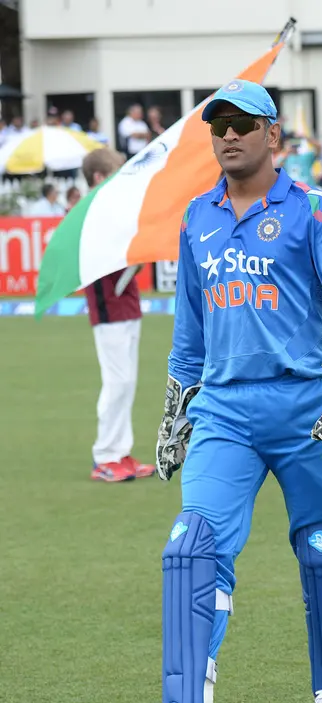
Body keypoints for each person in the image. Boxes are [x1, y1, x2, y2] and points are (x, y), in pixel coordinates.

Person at [124, 80, 322, 703]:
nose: (230, 135)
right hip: (223, 412)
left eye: (243, 124)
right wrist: (176, 407)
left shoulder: (316, 213)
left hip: (305, 407)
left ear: (274, 135)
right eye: (220, 126)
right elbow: (189, 327)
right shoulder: (197, 217)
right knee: (192, 545)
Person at [78, 148, 155, 483]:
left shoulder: (109, 208)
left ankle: (120, 452)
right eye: (114, 171)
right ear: (98, 177)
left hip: (125, 301)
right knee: (117, 382)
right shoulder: (91, 211)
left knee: (126, 382)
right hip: (109, 304)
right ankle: (106, 456)